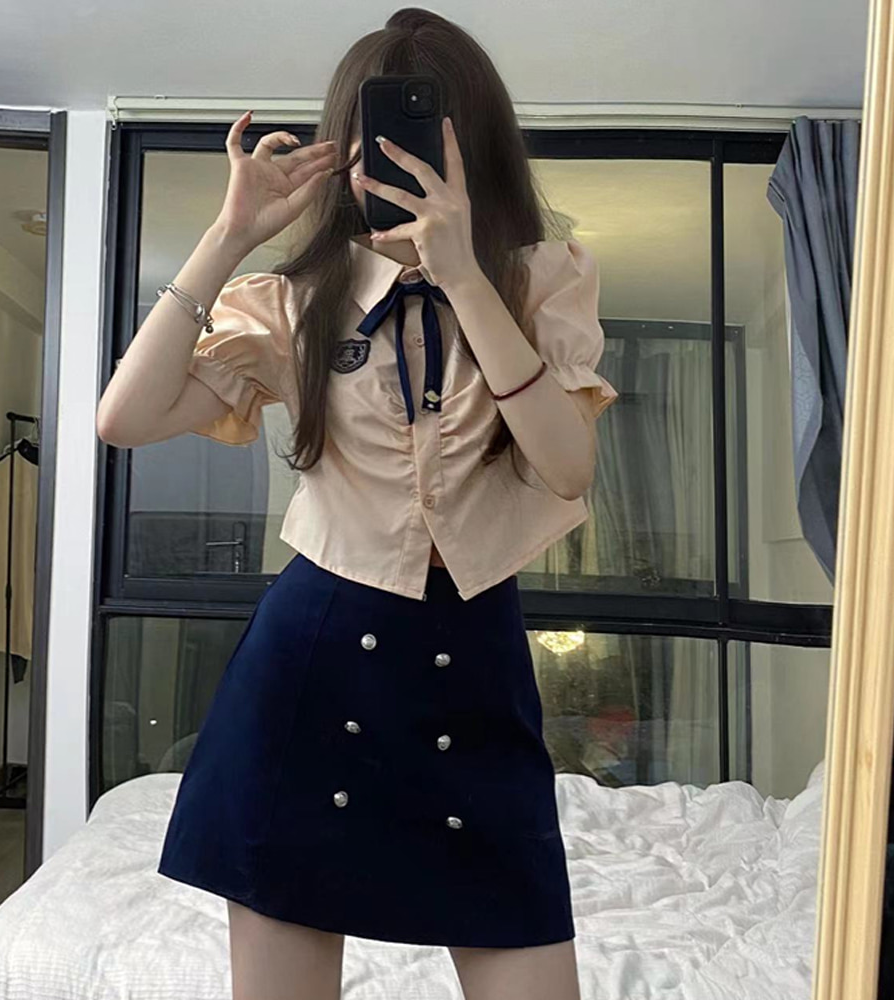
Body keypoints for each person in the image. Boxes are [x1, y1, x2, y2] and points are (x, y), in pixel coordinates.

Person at [96, 8, 617, 999]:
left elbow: (566, 467)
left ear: (477, 148)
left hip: (476, 666)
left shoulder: (544, 280)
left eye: (431, 138)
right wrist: (229, 234)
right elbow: (125, 418)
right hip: (311, 670)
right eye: (385, 140)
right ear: (349, 151)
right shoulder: (296, 301)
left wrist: (464, 278)